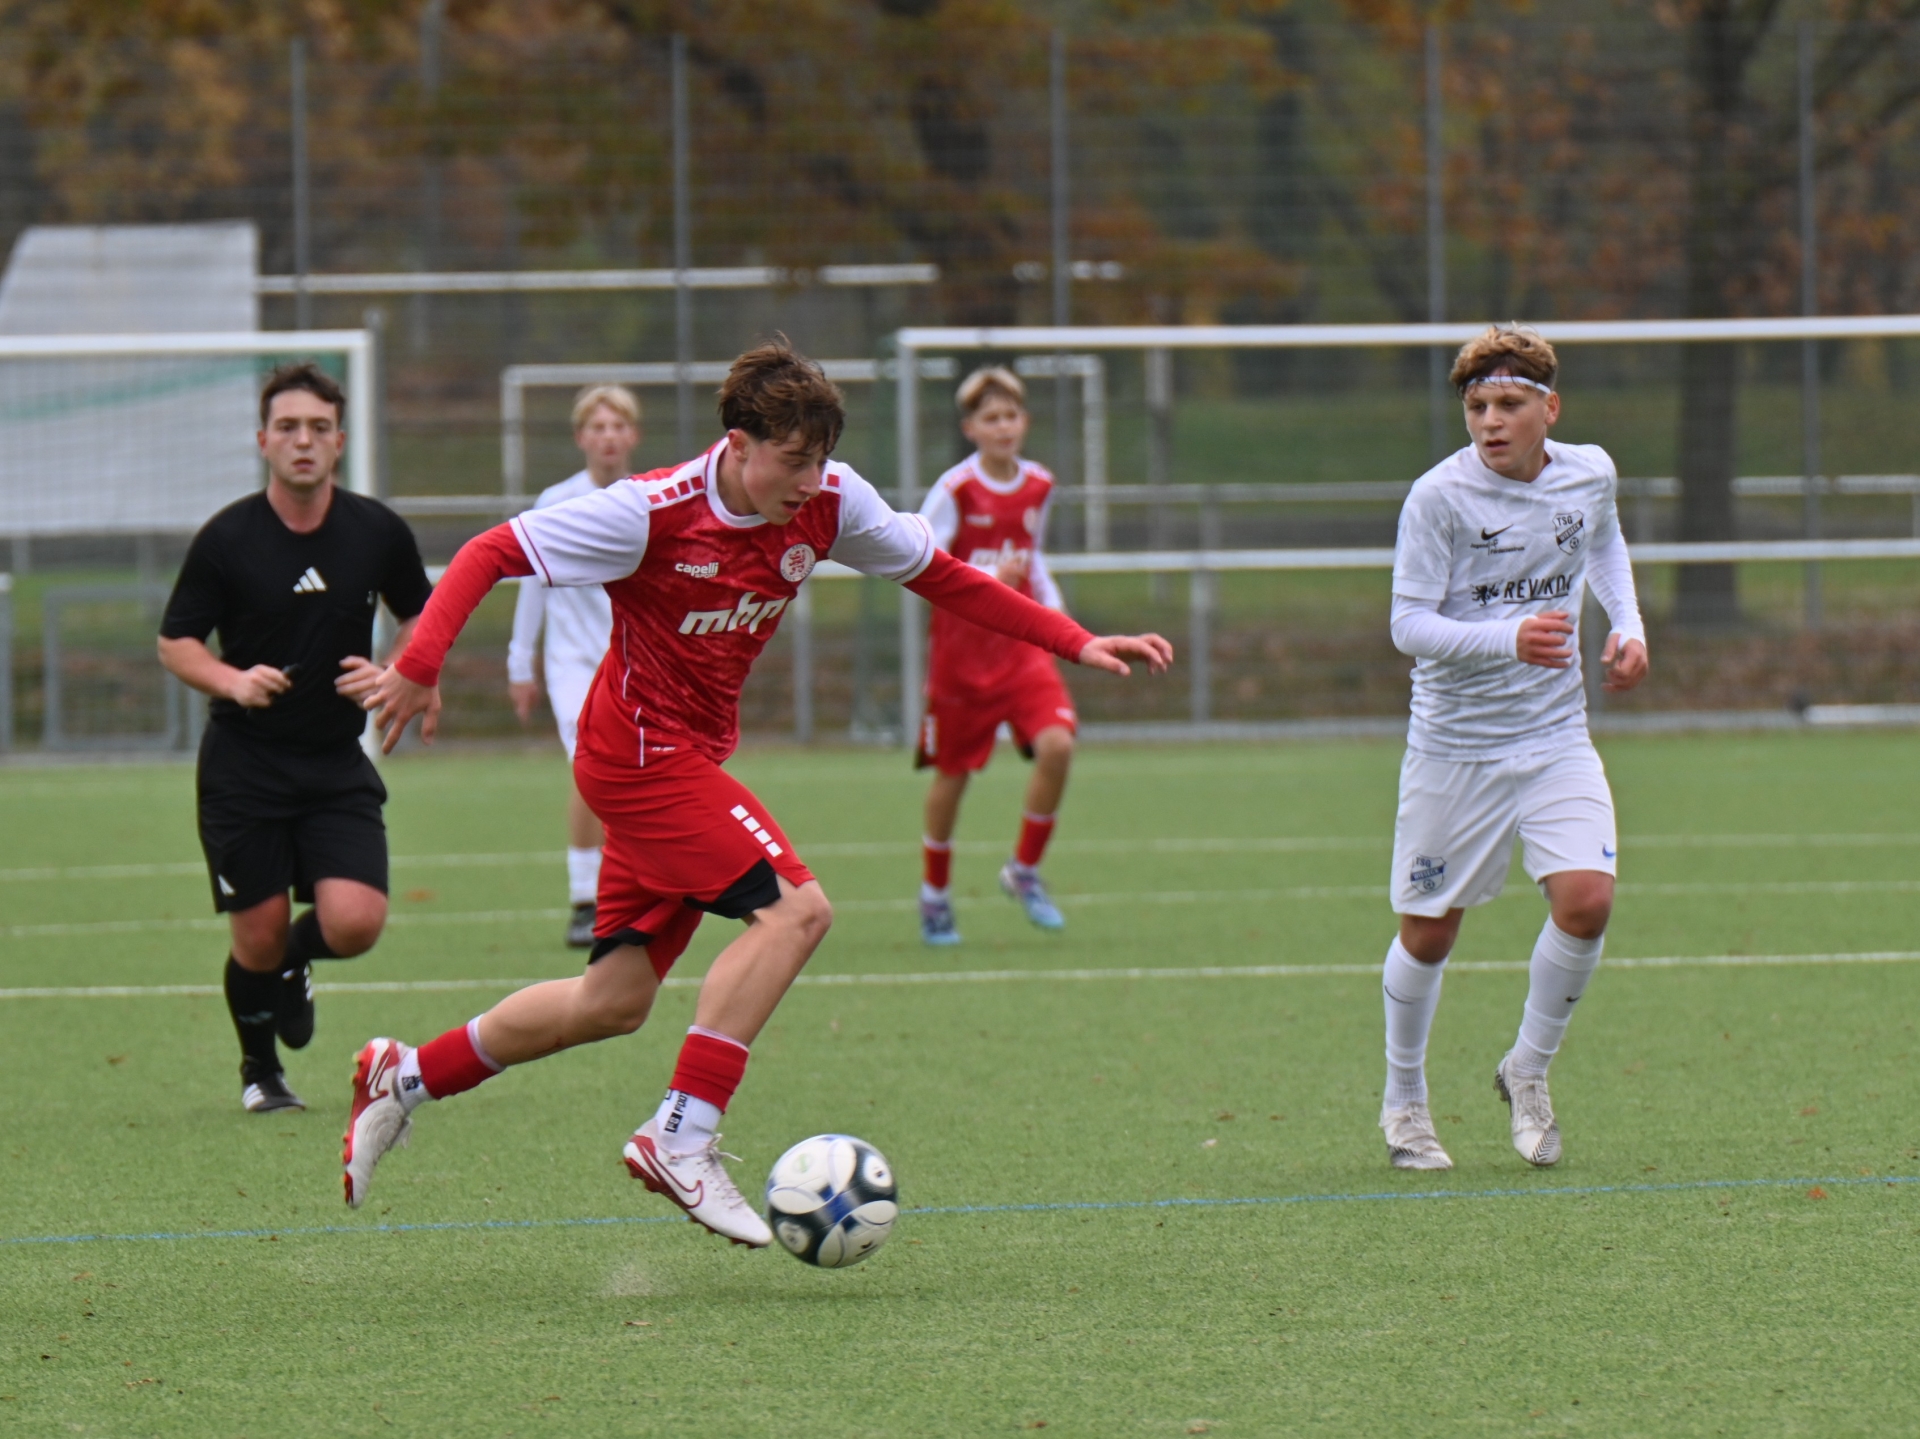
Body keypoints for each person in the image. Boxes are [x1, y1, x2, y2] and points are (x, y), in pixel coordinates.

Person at [343, 341, 1173, 1244]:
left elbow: (943, 575)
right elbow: (489, 551)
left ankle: (404, 1075)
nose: (810, 480)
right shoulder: (650, 512)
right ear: (738, 444)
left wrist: (1071, 639)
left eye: (822, 459)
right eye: (793, 459)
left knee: (611, 1000)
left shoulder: (831, 500)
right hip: (639, 756)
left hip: (681, 757)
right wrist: (420, 663)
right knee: (797, 912)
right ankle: (680, 1135)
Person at [1375, 323, 1648, 1173]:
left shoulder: (1589, 471)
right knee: (1429, 932)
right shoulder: (1438, 497)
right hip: (1455, 746)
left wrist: (1629, 625)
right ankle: (1405, 1100)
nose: (1490, 421)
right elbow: (1407, 624)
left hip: (1554, 732)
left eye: (1508, 404)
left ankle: (1527, 1068)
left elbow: (1601, 538)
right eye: (1477, 406)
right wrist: (1509, 637)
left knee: (1587, 901)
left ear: (1549, 409)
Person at [158, 361, 432, 1113]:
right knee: (257, 934)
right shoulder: (227, 539)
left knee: (356, 923)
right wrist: (232, 680)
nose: (302, 440)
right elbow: (177, 643)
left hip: (334, 762)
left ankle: (293, 964)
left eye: (318, 427)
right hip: (243, 766)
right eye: (287, 427)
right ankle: (261, 1070)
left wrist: (399, 670)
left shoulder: (376, 531)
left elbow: (421, 614)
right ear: (263, 441)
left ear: (340, 441)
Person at [915, 367, 1078, 945]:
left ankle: (1024, 870)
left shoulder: (1040, 484)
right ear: (971, 429)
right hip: (962, 657)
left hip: (1022, 649)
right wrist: (987, 578)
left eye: (1011, 416)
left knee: (1058, 744)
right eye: (991, 418)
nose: (1003, 427)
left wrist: (1058, 620)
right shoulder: (956, 489)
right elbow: (923, 562)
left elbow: (1034, 558)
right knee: (953, 777)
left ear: (1025, 422)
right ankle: (935, 895)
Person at [507, 384, 640, 947]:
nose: (608, 437)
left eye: (618, 426)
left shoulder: (649, 498)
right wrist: (520, 663)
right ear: (581, 437)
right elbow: (532, 585)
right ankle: (585, 900)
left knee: (639, 777)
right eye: (598, 427)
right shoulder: (556, 501)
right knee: (590, 769)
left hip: (636, 665)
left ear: (633, 435)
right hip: (573, 666)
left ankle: (633, 892)